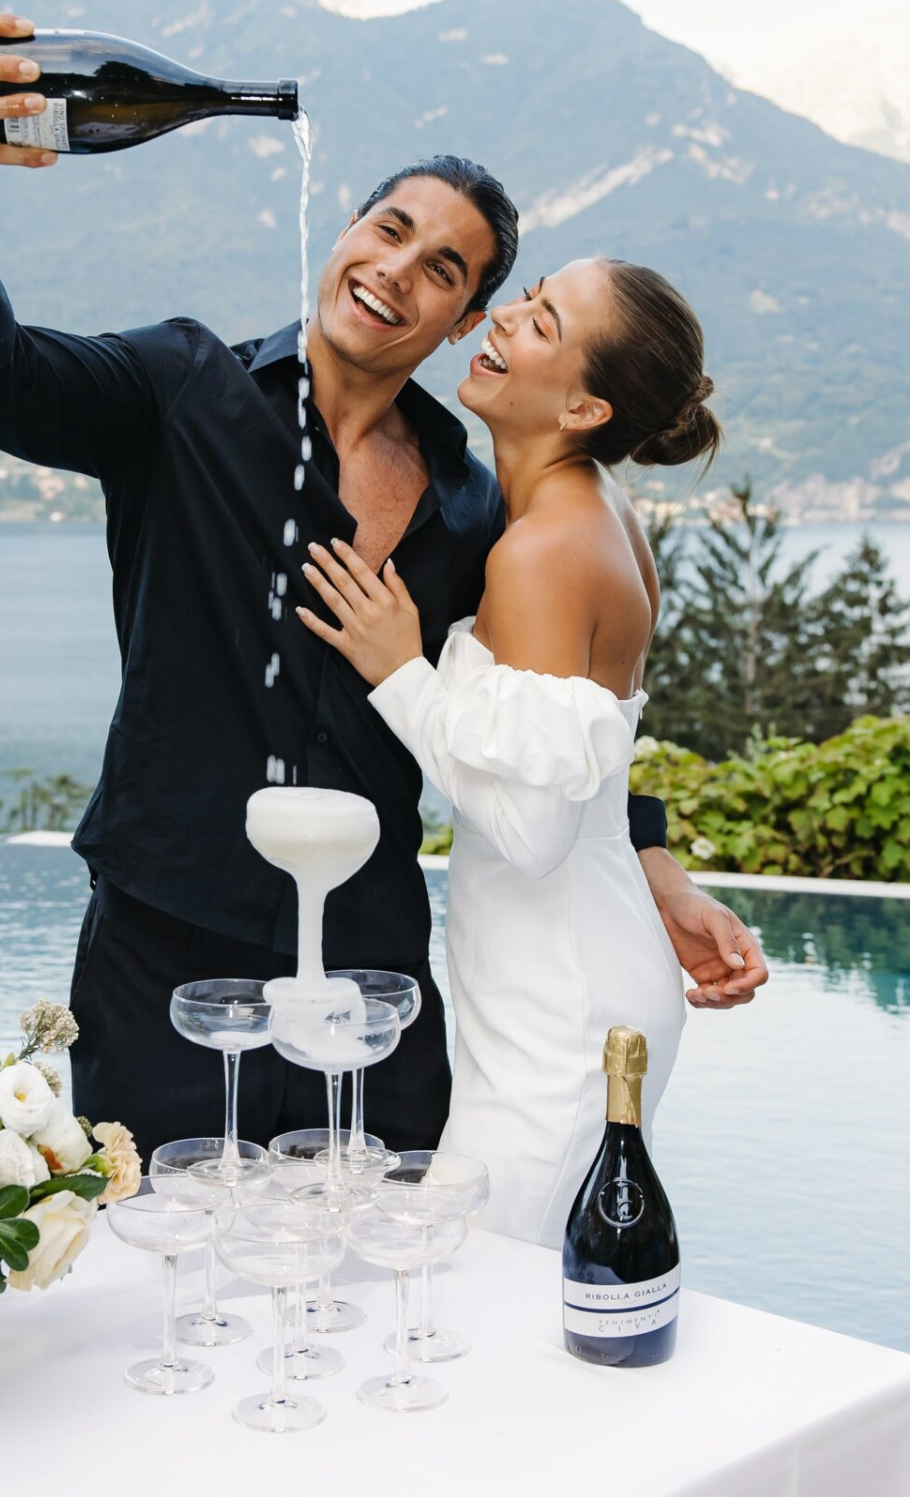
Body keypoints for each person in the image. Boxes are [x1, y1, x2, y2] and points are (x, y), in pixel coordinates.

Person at [0, 13, 765, 1160]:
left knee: (396, 1288)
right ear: (344, 229)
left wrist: (655, 869)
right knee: (159, 1282)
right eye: (389, 229)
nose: (397, 270)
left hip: (374, 975)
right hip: (166, 956)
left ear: (462, 320)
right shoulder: (179, 389)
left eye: (444, 269)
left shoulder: (474, 505)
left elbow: (545, 717)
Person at [298, 256, 724, 1245]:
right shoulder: (596, 511)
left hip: (559, 1023)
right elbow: (581, 765)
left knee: (468, 1290)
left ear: (583, 405)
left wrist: (401, 672)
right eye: (528, 297)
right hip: (580, 982)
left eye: (542, 323)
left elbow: (532, 828)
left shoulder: (542, 550)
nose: (503, 320)